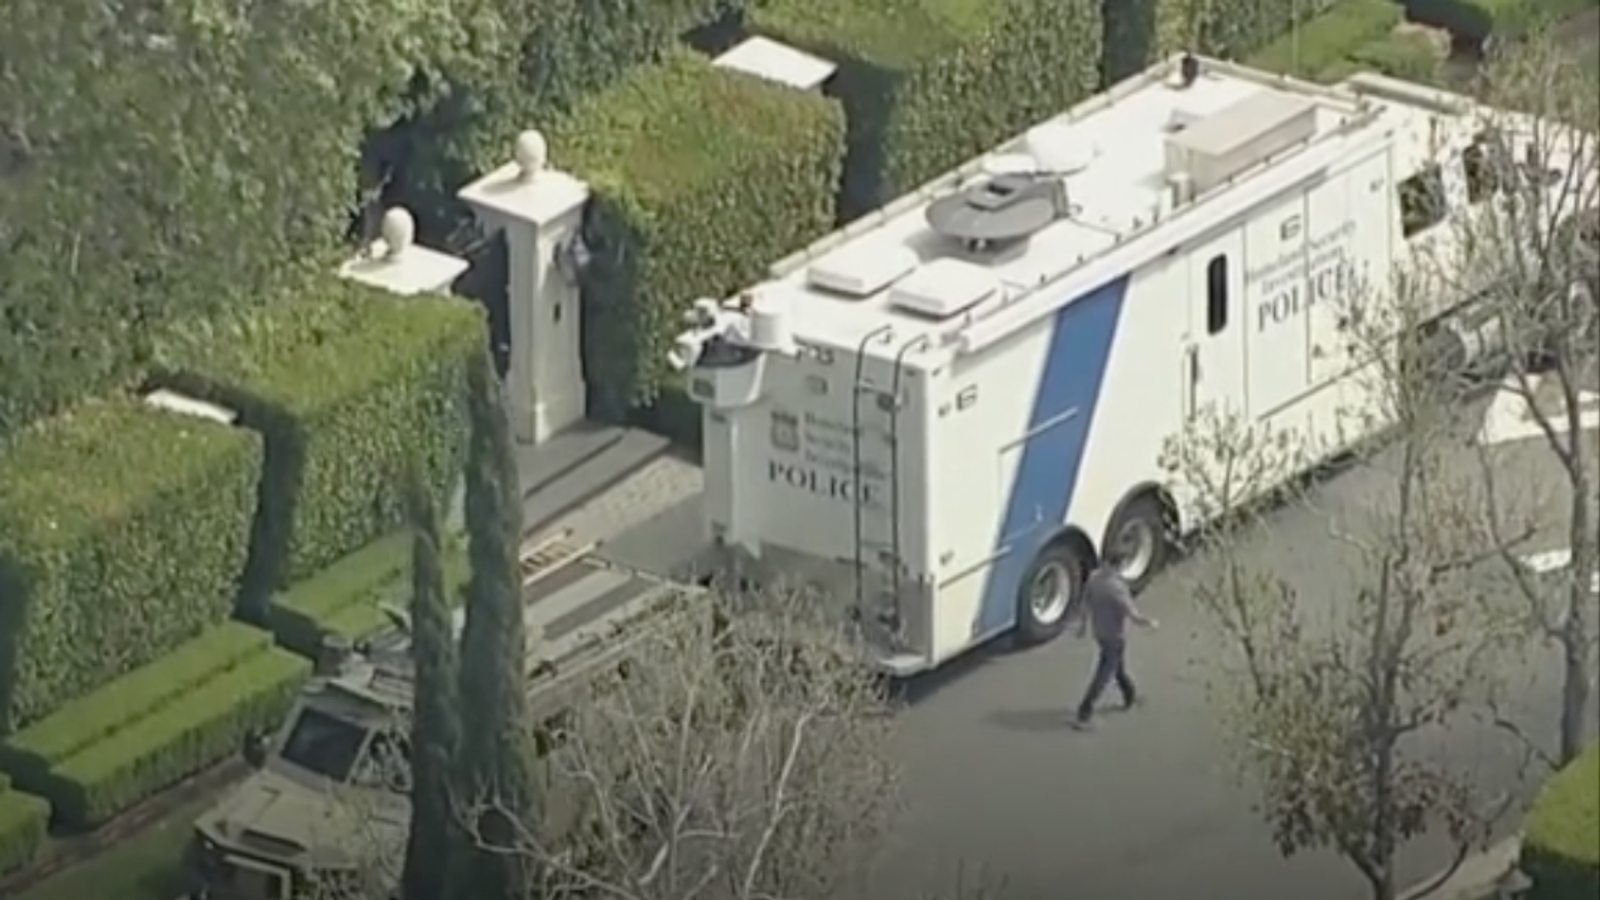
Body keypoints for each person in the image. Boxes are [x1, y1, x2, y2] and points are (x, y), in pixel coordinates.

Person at [1069, 559, 1157, 731]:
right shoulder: (1117, 588)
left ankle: (1129, 695)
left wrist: (1082, 626)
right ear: (1119, 565)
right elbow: (1133, 615)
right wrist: (1150, 623)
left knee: (1118, 668)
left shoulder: (1094, 578)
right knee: (1103, 675)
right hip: (1115, 638)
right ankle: (1084, 713)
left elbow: (1085, 603)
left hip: (1100, 633)